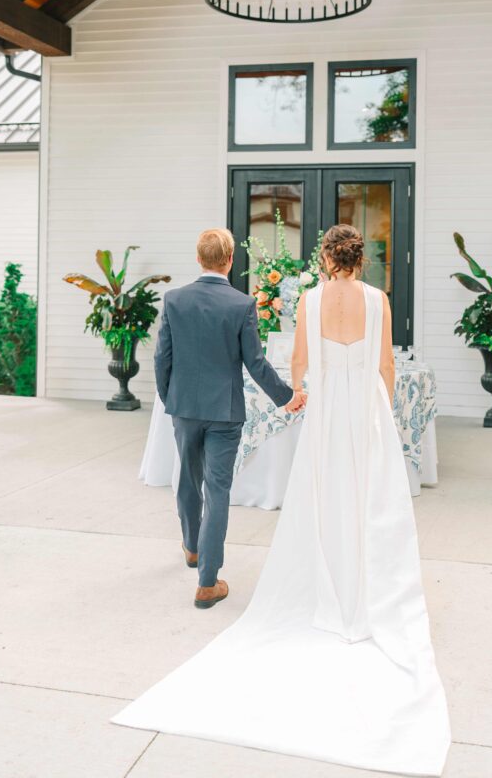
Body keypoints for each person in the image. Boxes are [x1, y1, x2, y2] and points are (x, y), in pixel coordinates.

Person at [114, 225, 451, 775]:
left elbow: (298, 363)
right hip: (363, 409)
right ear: (360, 259)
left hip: (321, 411)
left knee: (317, 490)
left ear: (324, 257)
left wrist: (303, 395)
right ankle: (363, 584)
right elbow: (386, 364)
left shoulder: (312, 300)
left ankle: (254, 564)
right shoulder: (378, 300)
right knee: (370, 500)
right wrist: (379, 408)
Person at [153, 227, 303, 609]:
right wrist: (286, 398)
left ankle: (191, 546)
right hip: (225, 412)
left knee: (187, 477)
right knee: (217, 490)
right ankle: (207, 582)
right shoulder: (242, 304)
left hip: (184, 407)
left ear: (199, 259)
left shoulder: (174, 300)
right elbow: (255, 362)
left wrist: (169, 396)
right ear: (231, 260)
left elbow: (161, 358)